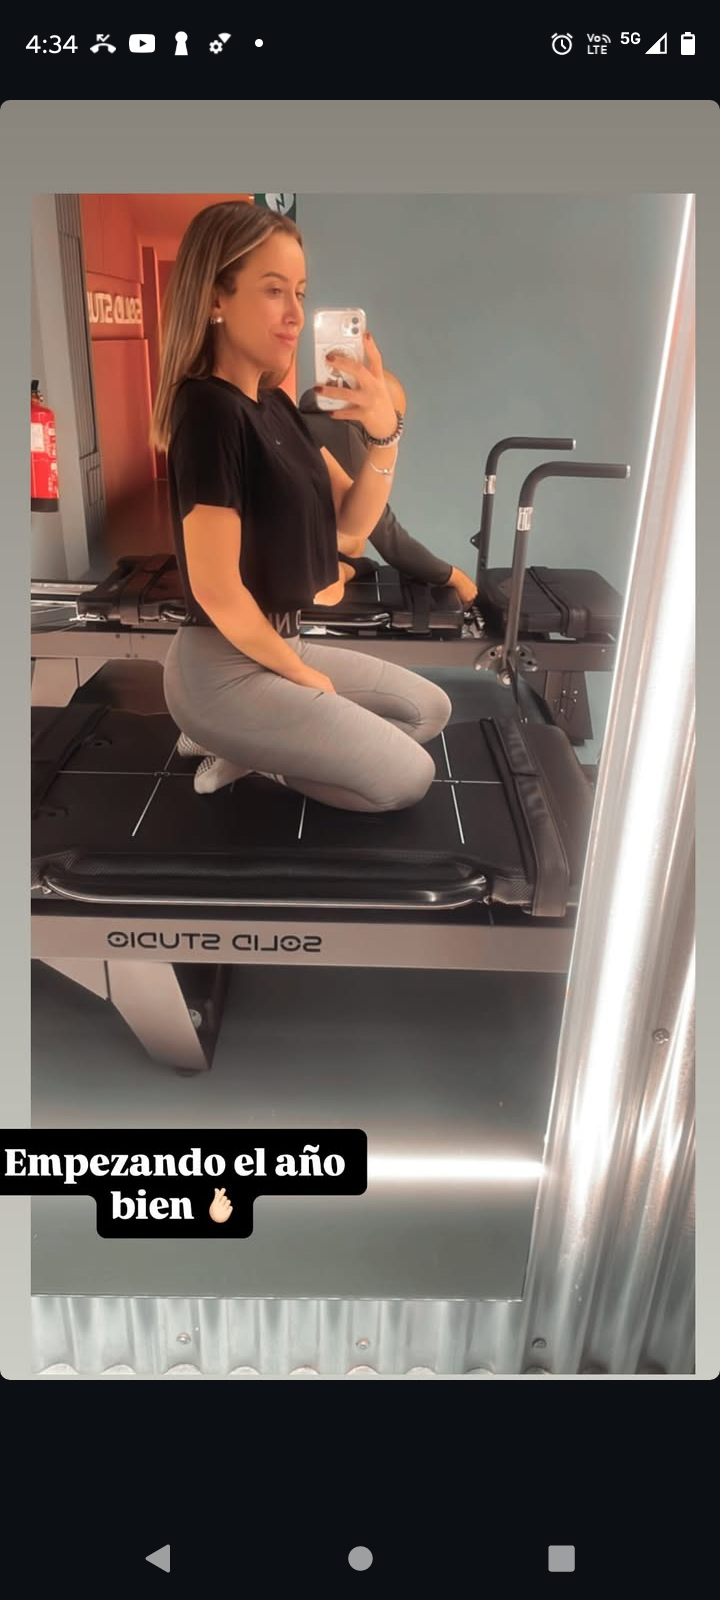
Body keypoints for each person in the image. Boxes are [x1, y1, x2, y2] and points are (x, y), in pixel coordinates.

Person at [150, 201, 452, 812]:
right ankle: (249, 745)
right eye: (273, 290)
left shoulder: (275, 406)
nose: (294, 314)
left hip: (279, 642)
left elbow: (353, 527)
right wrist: (300, 675)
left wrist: (385, 434)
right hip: (219, 671)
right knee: (406, 778)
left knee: (429, 711)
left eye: (300, 292)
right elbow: (216, 590)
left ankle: (246, 743)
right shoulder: (207, 411)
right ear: (216, 297)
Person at [298, 376, 479, 606]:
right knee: (355, 536)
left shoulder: (302, 418)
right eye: (395, 421)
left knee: (355, 542)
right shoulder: (342, 432)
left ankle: (349, 569)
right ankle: (341, 572)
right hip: (297, 561)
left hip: (288, 541)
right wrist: (454, 577)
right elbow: (388, 537)